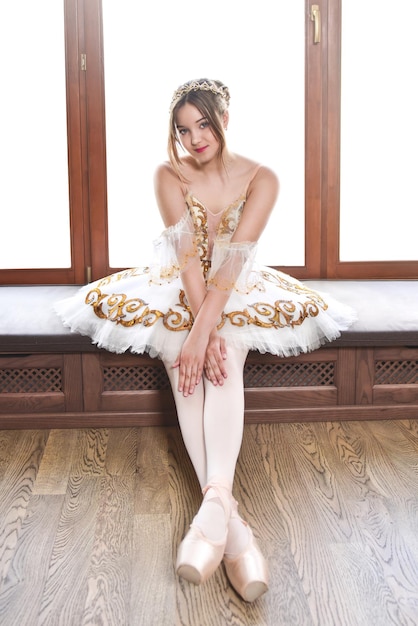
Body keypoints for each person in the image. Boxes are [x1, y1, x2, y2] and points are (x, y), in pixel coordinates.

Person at [55, 78, 356, 602]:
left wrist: (212, 332)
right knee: (180, 352)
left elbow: (235, 260)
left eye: (203, 125)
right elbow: (187, 261)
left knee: (226, 352)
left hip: (236, 285)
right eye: (183, 129)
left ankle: (214, 515)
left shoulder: (263, 177)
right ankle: (231, 525)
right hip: (182, 284)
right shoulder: (168, 175)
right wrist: (197, 332)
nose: (194, 138)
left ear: (224, 119)